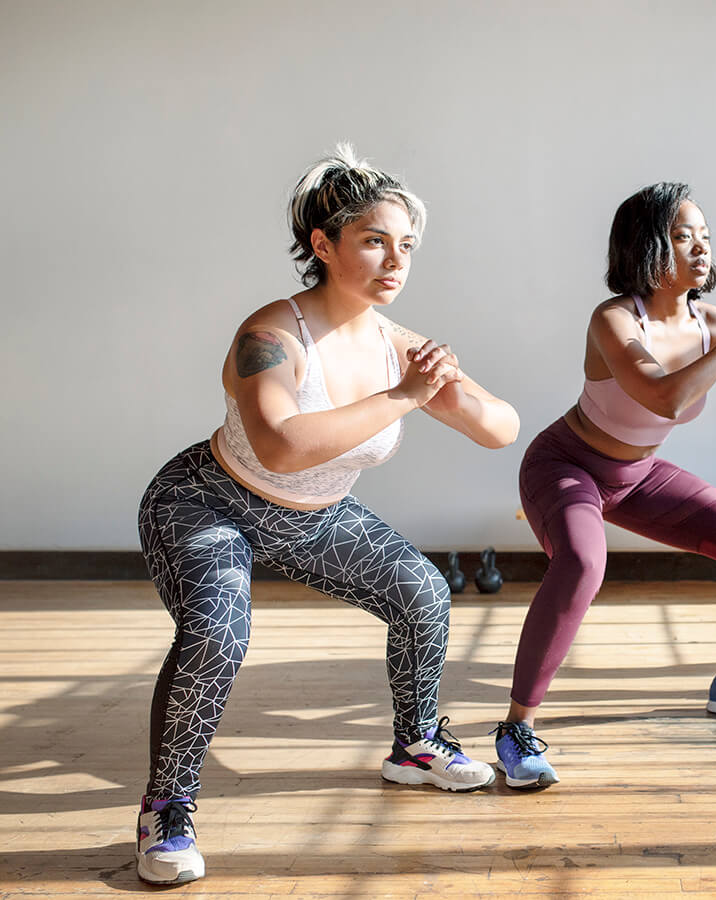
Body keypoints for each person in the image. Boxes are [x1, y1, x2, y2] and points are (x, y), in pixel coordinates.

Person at [134, 146, 520, 884]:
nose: (395, 260)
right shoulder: (271, 335)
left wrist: (446, 390)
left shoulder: (397, 347)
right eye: (374, 240)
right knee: (217, 629)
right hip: (206, 500)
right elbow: (280, 446)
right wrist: (404, 397)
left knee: (424, 593)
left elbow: (501, 428)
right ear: (323, 245)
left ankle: (414, 747)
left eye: (406, 245)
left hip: (315, 515)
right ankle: (167, 808)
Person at [492, 182, 716, 790]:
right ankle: (516, 728)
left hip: (638, 475)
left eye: (705, 235)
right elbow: (666, 396)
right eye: (681, 235)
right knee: (585, 564)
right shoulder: (615, 318)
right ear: (646, 246)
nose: (700, 247)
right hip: (567, 465)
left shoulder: (714, 322)